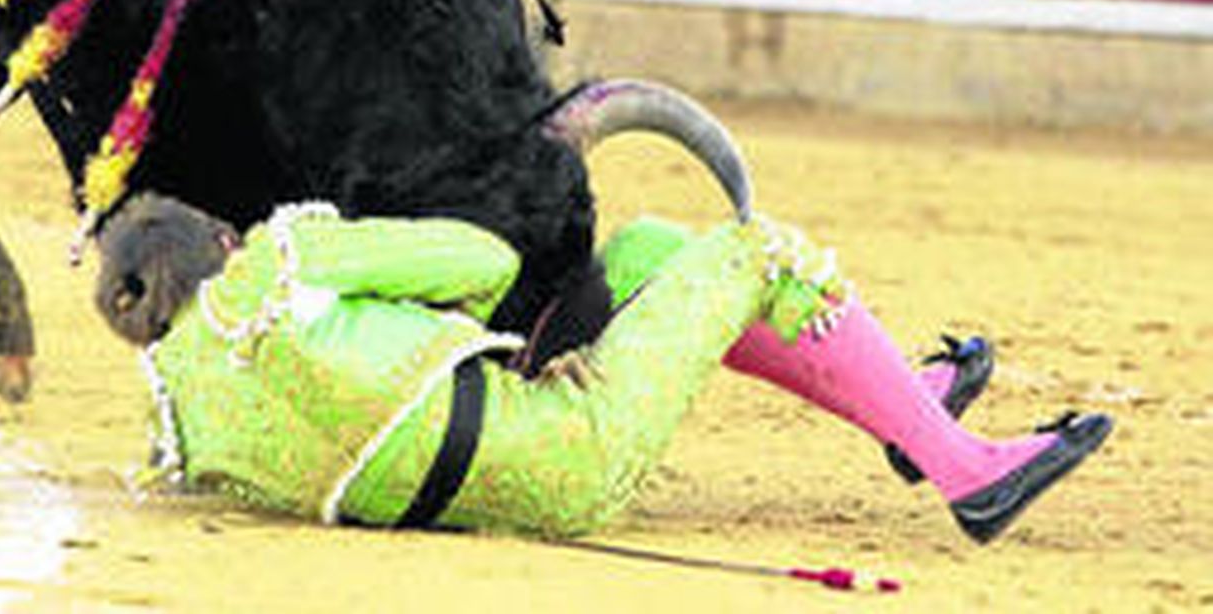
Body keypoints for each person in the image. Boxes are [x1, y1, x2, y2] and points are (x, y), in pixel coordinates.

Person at [92, 193, 1111, 542]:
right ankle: (964, 470)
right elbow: (482, 260)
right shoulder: (278, 261)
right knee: (754, 255)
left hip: (506, 495)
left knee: (641, 253)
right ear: (220, 239)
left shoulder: (179, 414)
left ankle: (901, 407)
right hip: (577, 441)